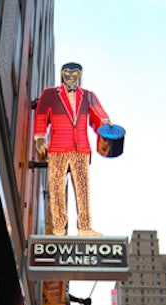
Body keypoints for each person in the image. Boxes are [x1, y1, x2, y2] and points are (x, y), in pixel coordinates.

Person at [34, 62, 111, 237]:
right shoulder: (50, 94)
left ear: (80, 75)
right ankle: (59, 226)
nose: (71, 76)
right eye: (67, 73)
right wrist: (39, 137)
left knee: (83, 188)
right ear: (62, 75)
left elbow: (99, 116)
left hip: (81, 148)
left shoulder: (89, 96)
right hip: (57, 147)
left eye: (75, 73)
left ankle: (84, 227)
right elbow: (40, 116)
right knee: (56, 187)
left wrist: (107, 126)